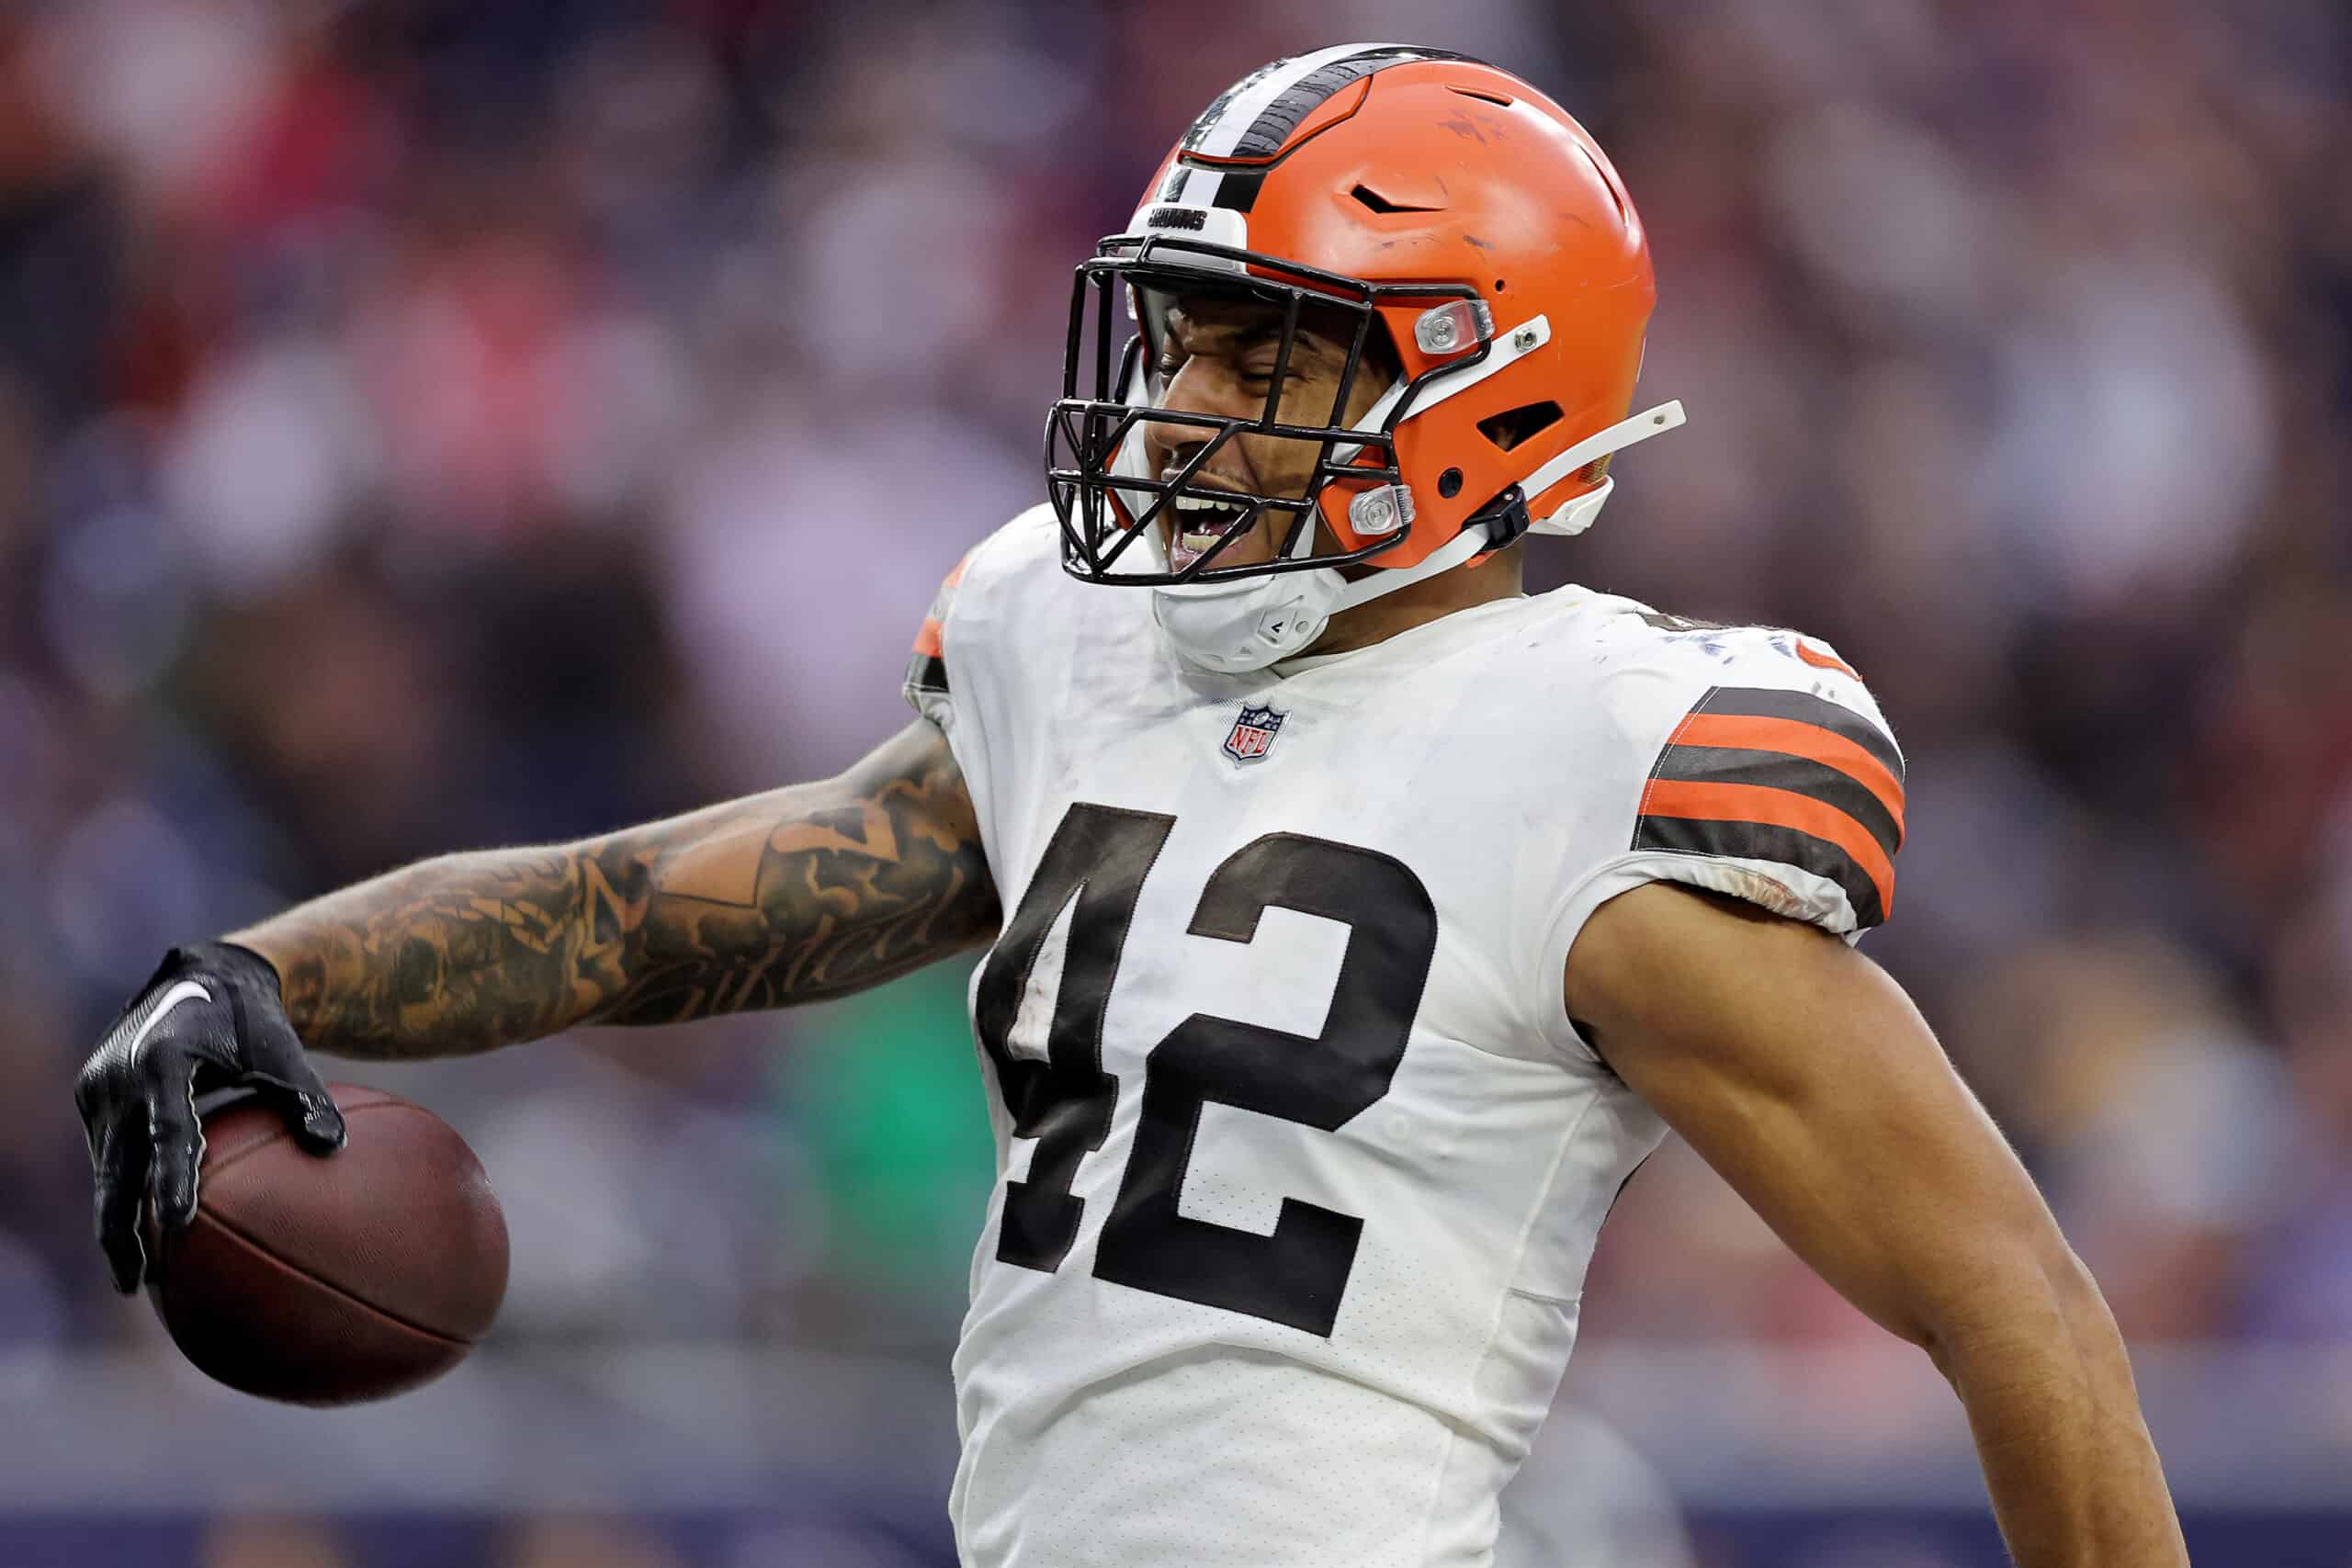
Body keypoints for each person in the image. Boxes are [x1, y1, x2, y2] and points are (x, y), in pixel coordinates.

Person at [74, 44, 2188, 1568]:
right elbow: (657, 907)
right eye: (1176, 340)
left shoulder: (1595, 754)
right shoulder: (1073, 648)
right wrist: (266, 969)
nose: (1177, 404)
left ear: (1489, 387)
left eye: (1259, 359)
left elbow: (2009, 1294)